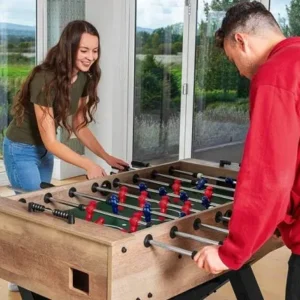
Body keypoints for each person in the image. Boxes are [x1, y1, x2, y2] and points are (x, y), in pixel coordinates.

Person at [193, 2, 300, 299]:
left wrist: (232, 253)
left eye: (232, 60)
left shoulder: (275, 74)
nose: (239, 72)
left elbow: (269, 176)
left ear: (241, 41)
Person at [4, 20, 128, 195]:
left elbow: (80, 126)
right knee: (31, 204)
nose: (91, 57)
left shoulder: (85, 78)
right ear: (68, 49)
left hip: (45, 151)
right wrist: (88, 164)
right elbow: (51, 141)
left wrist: (106, 157)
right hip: (20, 149)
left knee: (43, 202)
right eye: (84, 50)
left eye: (95, 51)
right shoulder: (44, 79)